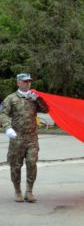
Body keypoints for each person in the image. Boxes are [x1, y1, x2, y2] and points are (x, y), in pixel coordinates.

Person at [0, 73, 49, 203]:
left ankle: (29, 191)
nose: (28, 83)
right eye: (25, 81)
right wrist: (7, 127)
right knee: (16, 166)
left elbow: (46, 109)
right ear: (18, 83)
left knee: (32, 164)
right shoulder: (11, 98)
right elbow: (3, 113)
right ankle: (17, 191)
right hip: (17, 138)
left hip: (32, 138)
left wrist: (38, 99)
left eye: (29, 81)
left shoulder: (34, 97)